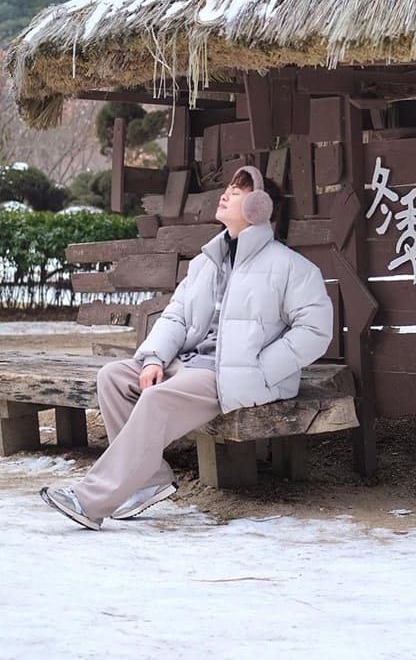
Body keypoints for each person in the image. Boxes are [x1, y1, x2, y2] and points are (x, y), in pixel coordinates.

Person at [40, 165, 333, 530]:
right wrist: (154, 359)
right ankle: (149, 482)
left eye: (237, 191)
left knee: (155, 400)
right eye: (227, 187)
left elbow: (316, 330)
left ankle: (90, 500)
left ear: (259, 207)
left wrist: (260, 367)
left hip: (230, 374)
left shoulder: (291, 267)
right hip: (190, 364)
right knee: (114, 378)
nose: (225, 194)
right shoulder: (205, 263)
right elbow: (175, 316)